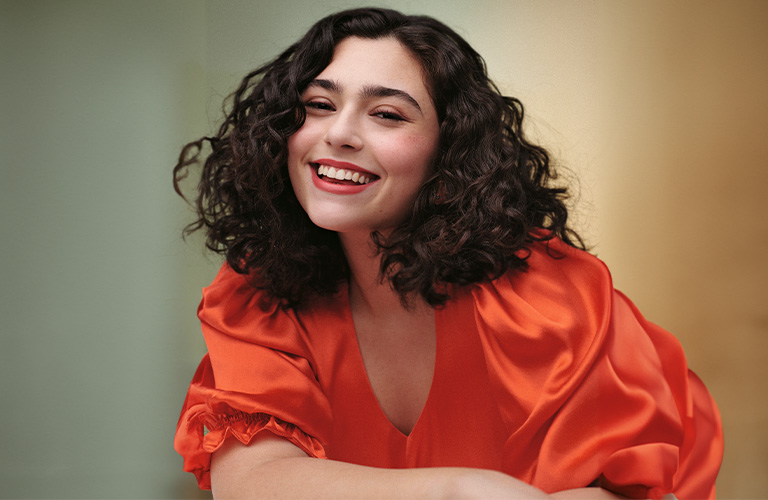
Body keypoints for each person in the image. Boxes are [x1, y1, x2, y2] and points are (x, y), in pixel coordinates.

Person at [173, 7, 722, 499]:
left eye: (387, 114)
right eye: (319, 105)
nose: (339, 133)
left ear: (449, 150)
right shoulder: (258, 295)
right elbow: (252, 483)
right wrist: (458, 488)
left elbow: (626, 492)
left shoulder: (547, 299)